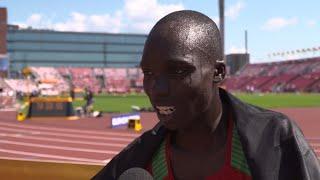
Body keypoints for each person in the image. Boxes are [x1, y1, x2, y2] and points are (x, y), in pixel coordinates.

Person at [93, 10, 320, 179]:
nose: (156, 88)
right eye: (148, 73)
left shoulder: (276, 139)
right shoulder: (139, 159)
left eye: (178, 71)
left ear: (218, 73)